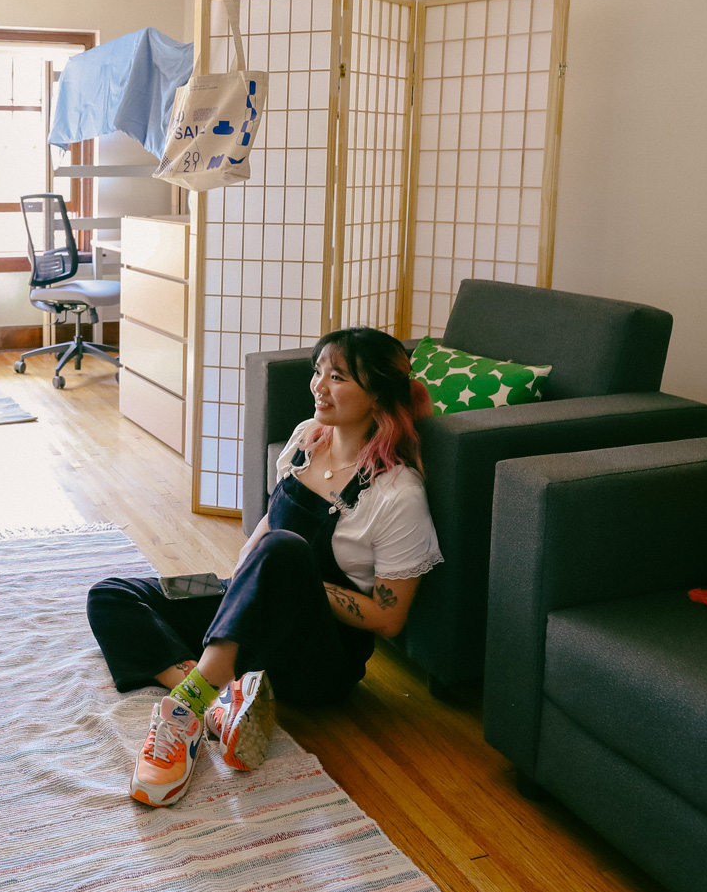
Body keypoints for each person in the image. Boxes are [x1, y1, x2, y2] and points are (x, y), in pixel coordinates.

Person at [86, 327, 441, 807]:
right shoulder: (307, 439)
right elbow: (270, 521)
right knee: (112, 595)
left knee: (281, 550)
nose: (318, 385)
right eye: (319, 371)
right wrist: (241, 585)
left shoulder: (397, 493)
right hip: (258, 596)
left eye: (337, 377)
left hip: (318, 663)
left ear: (376, 394)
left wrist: (296, 582)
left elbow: (389, 617)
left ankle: (183, 712)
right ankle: (219, 701)